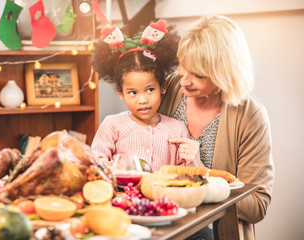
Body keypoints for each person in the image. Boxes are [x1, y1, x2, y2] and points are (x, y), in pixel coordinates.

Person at [158, 15, 274, 239]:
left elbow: (257, 205)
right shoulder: (169, 88)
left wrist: (202, 174)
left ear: (225, 74)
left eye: (198, 75)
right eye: (183, 66)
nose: (184, 81)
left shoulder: (251, 116)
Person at [90, 20, 191, 171]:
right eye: (133, 93)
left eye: (150, 90)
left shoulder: (178, 130)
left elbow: (184, 172)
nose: (143, 100)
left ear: (163, 86)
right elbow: (96, 162)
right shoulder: (112, 125)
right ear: (121, 92)